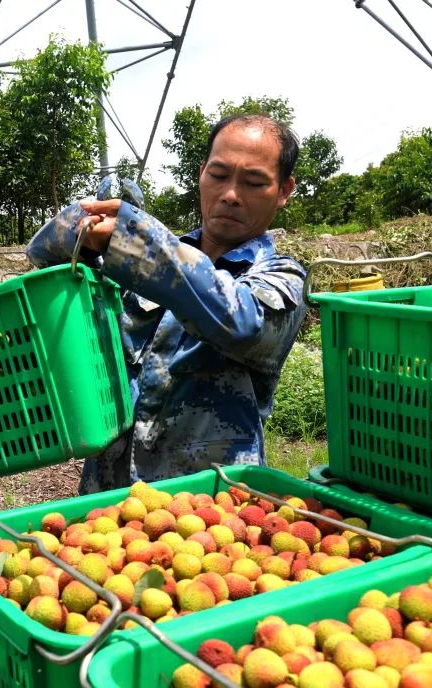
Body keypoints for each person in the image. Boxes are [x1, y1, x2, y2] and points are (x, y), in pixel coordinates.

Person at [27, 114, 307, 494]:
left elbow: (242, 323)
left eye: (254, 182)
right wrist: (87, 225)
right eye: (219, 174)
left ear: (284, 190)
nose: (230, 195)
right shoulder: (147, 257)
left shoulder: (281, 276)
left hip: (209, 510)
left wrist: (132, 239)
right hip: (109, 501)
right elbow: (43, 253)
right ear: (201, 173)